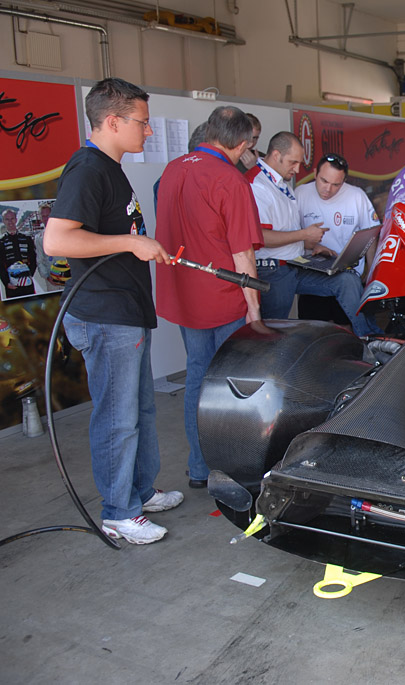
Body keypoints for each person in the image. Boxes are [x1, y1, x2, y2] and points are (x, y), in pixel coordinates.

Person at [43, 77, 181, 544]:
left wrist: (140, 244)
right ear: (113, 121)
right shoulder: (87, 168)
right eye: (142, 123)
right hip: (103, 314)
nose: (147, 132)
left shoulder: (111, 166)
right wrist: (130, 241)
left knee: (139, 409)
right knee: (117, 417)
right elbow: (58, 239)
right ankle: (119, 512)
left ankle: (139, 492)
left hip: (126, 311)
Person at [155, 106, 264, 489]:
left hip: (184, 296)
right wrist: (254, 312)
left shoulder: (173, 169)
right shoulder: (230, 180)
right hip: (222, 297)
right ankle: (230, 471)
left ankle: (200, 467)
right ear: (240, 143)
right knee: (229, 386)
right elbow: (243, 255)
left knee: (198, 377)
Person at [247, 132, 381, 336]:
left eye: (336, 184)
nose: (298, 169)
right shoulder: (258, 185)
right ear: (276, 155)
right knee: (273, 336)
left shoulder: (281, 184)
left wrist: (309, 245)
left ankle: (372, 338)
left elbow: (286, 233)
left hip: (295, 264)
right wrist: (304, 235)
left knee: (346, 281)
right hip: (273, 270)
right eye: (293, 162)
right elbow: (260, 237)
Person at [296, 154, 379, 277]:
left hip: (348, 272)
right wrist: (315, 246)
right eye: (324, 181)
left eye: (336, 185)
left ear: (344, 182)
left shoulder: (357, 196)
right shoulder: (300, 193)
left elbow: (371, 236)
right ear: (315, 174)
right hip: (310, 269)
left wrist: (372, 275)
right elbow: (289, 235)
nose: (328, 189)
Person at [1, 208, 37, 298]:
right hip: (11, 284)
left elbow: (33, 259)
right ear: (3, 221)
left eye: (12, 218)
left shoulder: (26, 238)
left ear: (16, 220)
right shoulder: (1, 241)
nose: (10, 222)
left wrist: (29, 276)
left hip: (27, 283)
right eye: (7, 219)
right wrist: (6, 282)